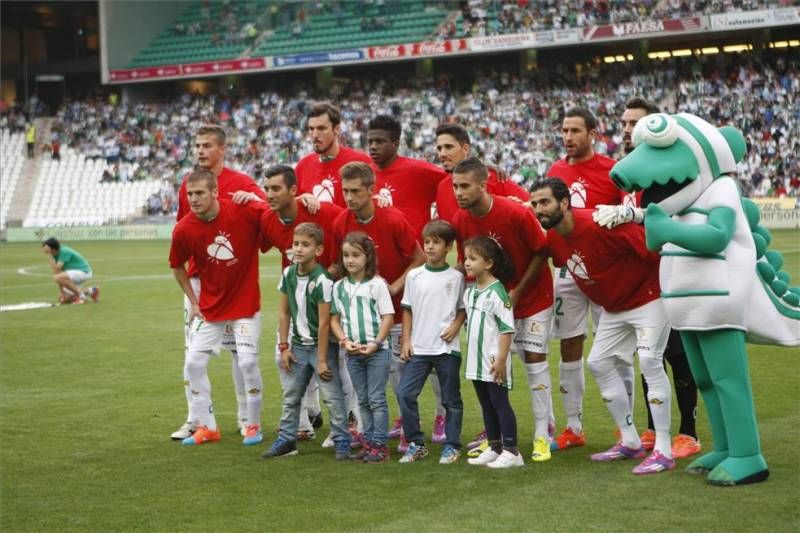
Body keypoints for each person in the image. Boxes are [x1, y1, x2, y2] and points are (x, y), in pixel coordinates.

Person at [531, 177, 675, 474]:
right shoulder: (554, 239)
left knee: (649, 360)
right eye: (534, 204)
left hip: (648, 299)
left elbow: (652, 249)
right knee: (597, 362)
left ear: (565, 203)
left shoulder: (601, 223)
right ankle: (630, 441)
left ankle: (663, 449)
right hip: (614, 308)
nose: (538, 209)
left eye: (544, 202)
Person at [592, 97, 701, 459]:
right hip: (640, 283)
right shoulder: (627, 174)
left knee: (677, 353)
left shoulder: (670, 176)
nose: (626, 130)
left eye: (635, 123)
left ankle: (688, 431)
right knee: (647, 354)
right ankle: (654, 428)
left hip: (672, 276)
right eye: (624, 123)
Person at [450, 157, 554, 463]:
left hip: (533, 297)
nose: (458, 192)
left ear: (483, 185)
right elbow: (466, 263)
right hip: (497, 303)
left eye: (465, 186)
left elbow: (542, 249)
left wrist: (519, 291)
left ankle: (541, 435)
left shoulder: (515, 212)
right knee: (489, 371)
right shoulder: (461, 219)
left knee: (534, 362)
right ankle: (496, 443)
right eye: (455, 186)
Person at [544, 107, 634, 453]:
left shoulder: (612, 172)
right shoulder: (555, 170)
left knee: (618, 353)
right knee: (569, 346)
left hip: (608, 275)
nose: (567, 137)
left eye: (575, 131)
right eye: (564, 131)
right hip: (569, 272)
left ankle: (623, 427)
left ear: (593, 134)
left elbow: (626, 221)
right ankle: (574, 426)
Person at [170, 124, 266, 442]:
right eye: (196, 145)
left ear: (222, 149)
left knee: (242, 354)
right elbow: (185, 233)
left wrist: (252, 199)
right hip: (201, 284)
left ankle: (245, 419)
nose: (200, 150)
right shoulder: (189, 184)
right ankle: (198, 420)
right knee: (193, 354)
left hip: (236, 285)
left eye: (207, 145)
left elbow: (265, 222)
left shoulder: (243, 184)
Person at [367, 115, 450, 447]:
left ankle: (443, 414)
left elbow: (454, 175)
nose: (373, 146)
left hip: (421, 277)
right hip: (383, 282)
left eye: (380, 141)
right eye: (370, 141)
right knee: (394, 356)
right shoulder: (365, 174)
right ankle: (405, 414)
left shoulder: (417, 170)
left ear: (396, 143)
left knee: (434, 351)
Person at [331, 161, 426, 450]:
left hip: (394, 314)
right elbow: (340, 265)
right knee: (362, 380)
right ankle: (368, 432)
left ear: (372, 190)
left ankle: (409, 430)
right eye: (345, 190)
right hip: (359, 319)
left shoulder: (393, 219)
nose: (349, 197)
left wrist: (393, 287)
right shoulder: (340, 222)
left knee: (398, 374)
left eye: (356, 191)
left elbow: (419, 258)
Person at [257, 164, 345, 441]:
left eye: (276, 188)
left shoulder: (322, 211)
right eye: (266, 188)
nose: (269, 194)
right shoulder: (269, 220)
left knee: (337, 362)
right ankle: (305, 422)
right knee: (287, 357)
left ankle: (346, 426)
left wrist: (331, 273)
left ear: (294, 191)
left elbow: (350, 234)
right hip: (297, 299)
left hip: (332, 296)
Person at [262, 223, 351, 460]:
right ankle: (287, 440)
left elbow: (324, 323)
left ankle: (342, 440)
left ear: (318, 250)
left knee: (332, 396)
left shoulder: (322, 279)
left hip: (321, 348)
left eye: (305, 245)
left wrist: (322, 360)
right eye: (295, 244)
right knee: (292, 395)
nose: (298, 249)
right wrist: (284, 346)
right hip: (298, 346)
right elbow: (284, 313)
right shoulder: (288, 275)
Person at [397, 220, 466, 464]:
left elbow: (462, 309)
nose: (430, 247)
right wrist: (406, 341)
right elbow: (407, 310)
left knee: (450, 400)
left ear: (448, 247)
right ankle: (416, 443)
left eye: (436, 242)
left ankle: (452, 444)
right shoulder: (414, 276)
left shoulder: (456, 277)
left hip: (446, 348)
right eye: (427, 241)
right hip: (419, 347)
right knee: (405, 393)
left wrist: (455, 326)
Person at [330, 232, 395, 463]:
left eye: (356, 255)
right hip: (353, 352)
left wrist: (376, 343)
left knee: (377, 398)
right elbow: (334, 319)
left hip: (377, 351)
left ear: (367, 257)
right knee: (363, 399)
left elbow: (388, 317)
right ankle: (368, 443)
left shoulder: (377, 285)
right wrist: (344, 341)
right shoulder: (338, 287)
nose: (350, 260)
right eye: (346, 255)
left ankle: (380, 445)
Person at [462, 236, 523, 469]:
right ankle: (495, 446)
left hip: (492, 360)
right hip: (475, 361)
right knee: (486, 404)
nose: (467, 263)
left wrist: (501, 360)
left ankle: (512, 450)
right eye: (466, 258)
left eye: (473, 259)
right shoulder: (471, 292)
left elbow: (506, 330)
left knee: (500, 403)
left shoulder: (497, 293)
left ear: (488, 263)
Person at [433, 123, 529, 224]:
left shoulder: (494, 177)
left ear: (465, 148)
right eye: (439, 148)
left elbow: (532, 206)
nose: (442, 154)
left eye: (448, 147)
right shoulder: (442, 188)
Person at [295, 102, 372, 208]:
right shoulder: (302, 166)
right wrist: (298, 200)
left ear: (337, 130)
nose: (315, 135)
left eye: (321, 128)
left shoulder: (361, 162)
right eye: (311, 129)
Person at [42, 237, 99, 304]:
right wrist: (62, 292)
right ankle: (91, 291)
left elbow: (56, 272)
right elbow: (58, 273)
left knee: (57, 277)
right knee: (63, 299)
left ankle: (82, 297)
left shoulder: (64, 251)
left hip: (83, 272)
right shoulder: (56, 253)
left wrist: (49, 255)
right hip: (75, 274)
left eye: (47, 251)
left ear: (53, 249)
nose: (46, 252)